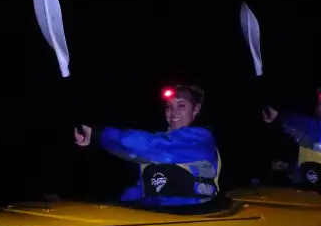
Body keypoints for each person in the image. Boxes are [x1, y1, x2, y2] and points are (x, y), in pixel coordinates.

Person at [73, 84, 221, 210]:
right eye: (169, 106)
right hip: (158, 217)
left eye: (181, 105)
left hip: (192, 218)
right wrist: (114, 204)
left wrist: (97, 134)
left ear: (196, 109)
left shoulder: (200, 138)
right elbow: (141, 178)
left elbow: (150, 144)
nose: (173, 112)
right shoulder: (156, 149)